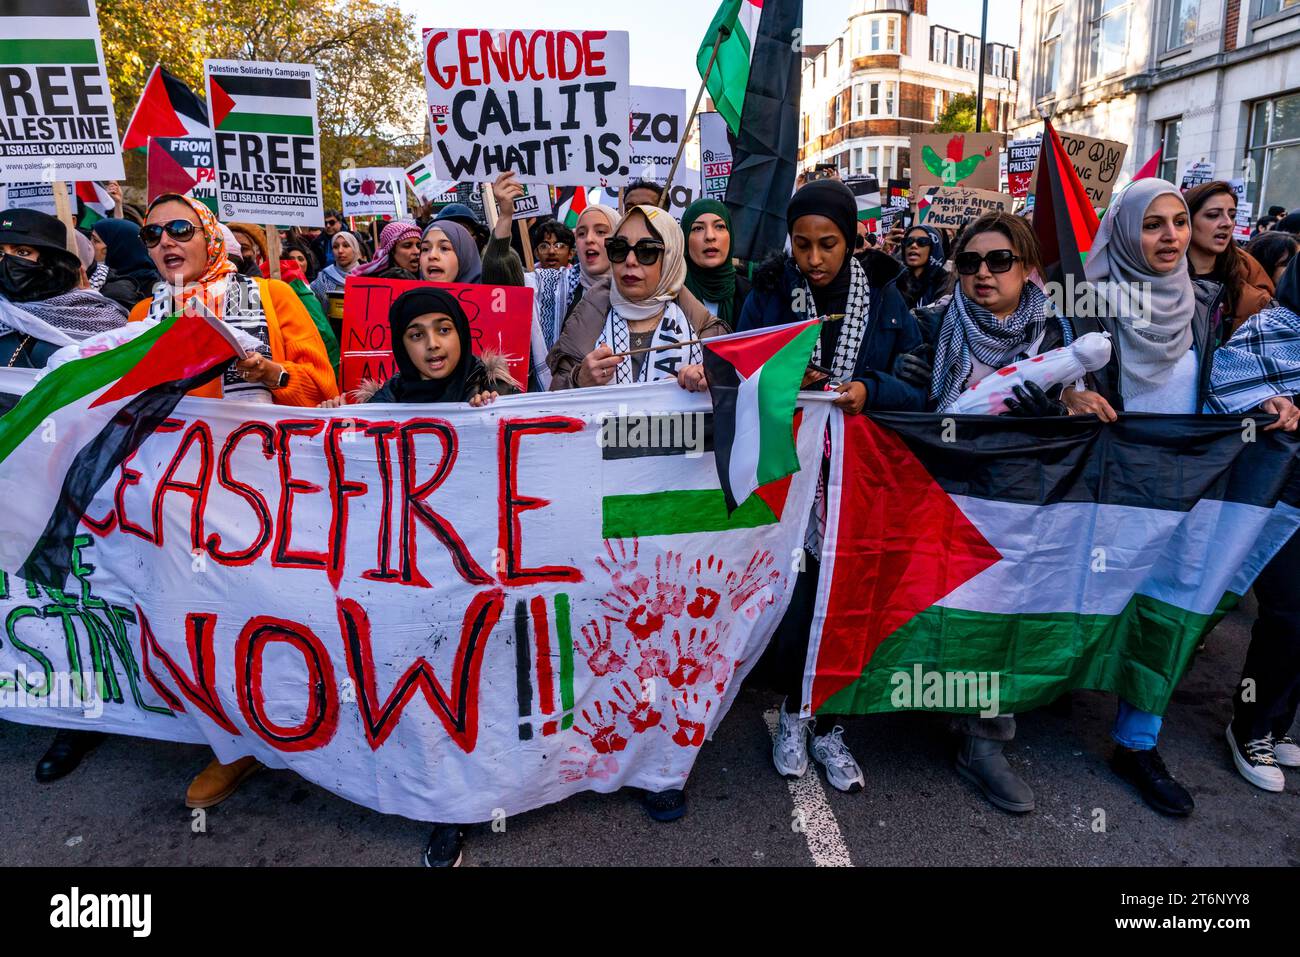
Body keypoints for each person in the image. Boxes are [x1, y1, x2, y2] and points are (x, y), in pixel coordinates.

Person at [1058, 178, 1300, 815]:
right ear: (1125, 231)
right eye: (1153, 224)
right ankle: (1046, 691)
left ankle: (1137, 742)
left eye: (1177, 223)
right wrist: (1069, 396)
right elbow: (1049, 377)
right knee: (1085, 598)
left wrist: (1260, 402)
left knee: (1168, 606)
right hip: (1104, 494)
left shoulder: (1204, 305)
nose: (1171, 236)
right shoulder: (1087, 301)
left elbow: (1223, 386)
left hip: (1183, 492)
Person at [125, 193, 337, 808]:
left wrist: (268, 372)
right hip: (182, 502)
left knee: (285, 617)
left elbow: (323, 389)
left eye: (180, 229)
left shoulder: (271, 296)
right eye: (152, 233)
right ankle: (233, 745)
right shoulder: (143, 312)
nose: (165, 241)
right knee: (203, 624)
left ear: (210, 236)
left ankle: (317, 728)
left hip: (275, 495)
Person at [318, 287, 517, 866]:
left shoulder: (496, 391)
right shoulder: (383, 405)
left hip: (487, 578)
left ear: (462, 331)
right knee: (432, 702)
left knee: (486, 689)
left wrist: (498, 416)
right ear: (401, 345)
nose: (432, 345)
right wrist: (335, 430)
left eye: (443, 328)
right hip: (417, 583)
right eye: (415, 334)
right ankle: (448, 809)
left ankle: (504, 786)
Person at [739, 179, 925, 794]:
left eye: (828, 244)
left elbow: (916, 385)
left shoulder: (889, 301)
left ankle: (831, 724)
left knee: (849, 596)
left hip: (861, 480)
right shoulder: (767, 292)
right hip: (787, 479)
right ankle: (794, 711)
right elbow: (742, 367)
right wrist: (791, 380)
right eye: (802, 245)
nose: (814, 259)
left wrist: (870, 390)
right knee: (795, 601)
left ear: (851, 240)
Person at [894, 212, 1072, 814]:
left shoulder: (1060, 337)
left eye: (999, 261)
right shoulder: (928, 323)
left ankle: (984, 744)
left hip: (1020, 501)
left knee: (1001, 617)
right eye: (968, 263)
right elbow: (895, 402)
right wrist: (905, 383)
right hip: (940, 494)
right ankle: (919, 705)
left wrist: (1056, 418)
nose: (982, 274)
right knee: (936, 605)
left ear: (1026, 268)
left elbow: (1102, 416)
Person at [0, 208, 128, 781]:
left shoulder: (101, 325)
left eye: (23, 254)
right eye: (1, 255)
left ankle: (78, 717)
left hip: (73, 493)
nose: (9, 265)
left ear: (57, 263)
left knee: (66, 603)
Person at [1207, 254, 1300, 791]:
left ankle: (1278, 721)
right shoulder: (1273, 326)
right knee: (1289, 613)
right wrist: (1268, 401)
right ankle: (1251, 726)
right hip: (1281, 491)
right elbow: (1225, 381)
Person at [547, 203, 726, 394]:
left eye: (646, 251)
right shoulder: (587, 319)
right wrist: (579, 379)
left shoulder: (703, 329)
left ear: (670, 259)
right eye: (619, 248)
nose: (630, 261)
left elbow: (732, 393)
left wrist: (708, 376)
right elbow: (554, 403)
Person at [0, 208, 127, 370]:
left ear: (50, 261)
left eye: (22, 252)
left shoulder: (102, 320)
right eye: (0, 252)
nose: (7, 261)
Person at [1183, 181, 1273, 335]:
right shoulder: (1147, 277)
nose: (1227, 223)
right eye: (1213, 215)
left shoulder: (1247, 271)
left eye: (1232, 215)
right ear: (1186, 221)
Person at [681, 199, 750, 329]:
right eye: (698, 228)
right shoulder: (669, 297)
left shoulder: (752, 294)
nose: (710, 236)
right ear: (684, 238)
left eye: (719, 226)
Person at [91, 219, 161, 311]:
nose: (90, 244)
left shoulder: (154, 289)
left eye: (96, 241)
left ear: (118, 248)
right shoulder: (99, 276)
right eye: (90, 238)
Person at [889, 224, 952, 311]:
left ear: (934, 248)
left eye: (922, 242)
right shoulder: (894, 280)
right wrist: (884, 256)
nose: (913, 245)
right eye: (908, 241)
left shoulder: (946, 282)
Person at [310, 229, 364, 309]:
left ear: (355, 249)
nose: (340, 251)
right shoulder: (323, 279)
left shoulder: (367, 276)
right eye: (335, 247)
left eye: (346, 246)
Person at [354, 220, 421, 280]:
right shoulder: (372, 282)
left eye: (418, 246)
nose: (417, 251)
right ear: (391, 250)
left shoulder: (427, 276)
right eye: (407, 246)